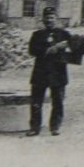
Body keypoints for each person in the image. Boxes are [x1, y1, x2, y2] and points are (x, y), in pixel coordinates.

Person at [27, 7, 73, 136]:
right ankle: (34, 128)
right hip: (40, 72)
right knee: (36, 101)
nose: (49, 20)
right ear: (43, 20)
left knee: (58, 101)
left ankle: (55, 127)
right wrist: (50, 49)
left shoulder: (64, 34)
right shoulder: (37, 35)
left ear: (56, 19)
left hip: (58, 73)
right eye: (47, 18)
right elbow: (32, 51)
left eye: (52, 18)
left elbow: (77, 48)